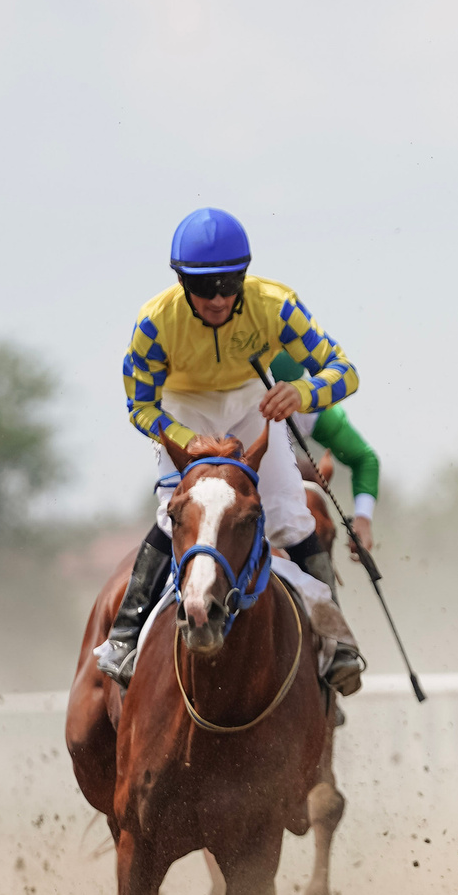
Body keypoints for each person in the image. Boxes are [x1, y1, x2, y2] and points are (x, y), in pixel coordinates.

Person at [93, 207, 367, 692]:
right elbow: (139, 406)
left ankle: (337, 640)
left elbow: (344, 370)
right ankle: (125, 633)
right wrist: (182, 438)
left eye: (229, 284)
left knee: (291, 516)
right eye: (204, 287)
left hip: (248, 402)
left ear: (243, 276)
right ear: (181, 282)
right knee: (173, 513)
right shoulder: (155, 323)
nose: (218, 298)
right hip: (183, 410)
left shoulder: (277, 305)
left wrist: (302, 394)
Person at [272, 349, 379, 559]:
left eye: (288, 395)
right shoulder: (229, 407)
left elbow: (364, 459)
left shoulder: (308, 408)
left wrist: (363, 519)